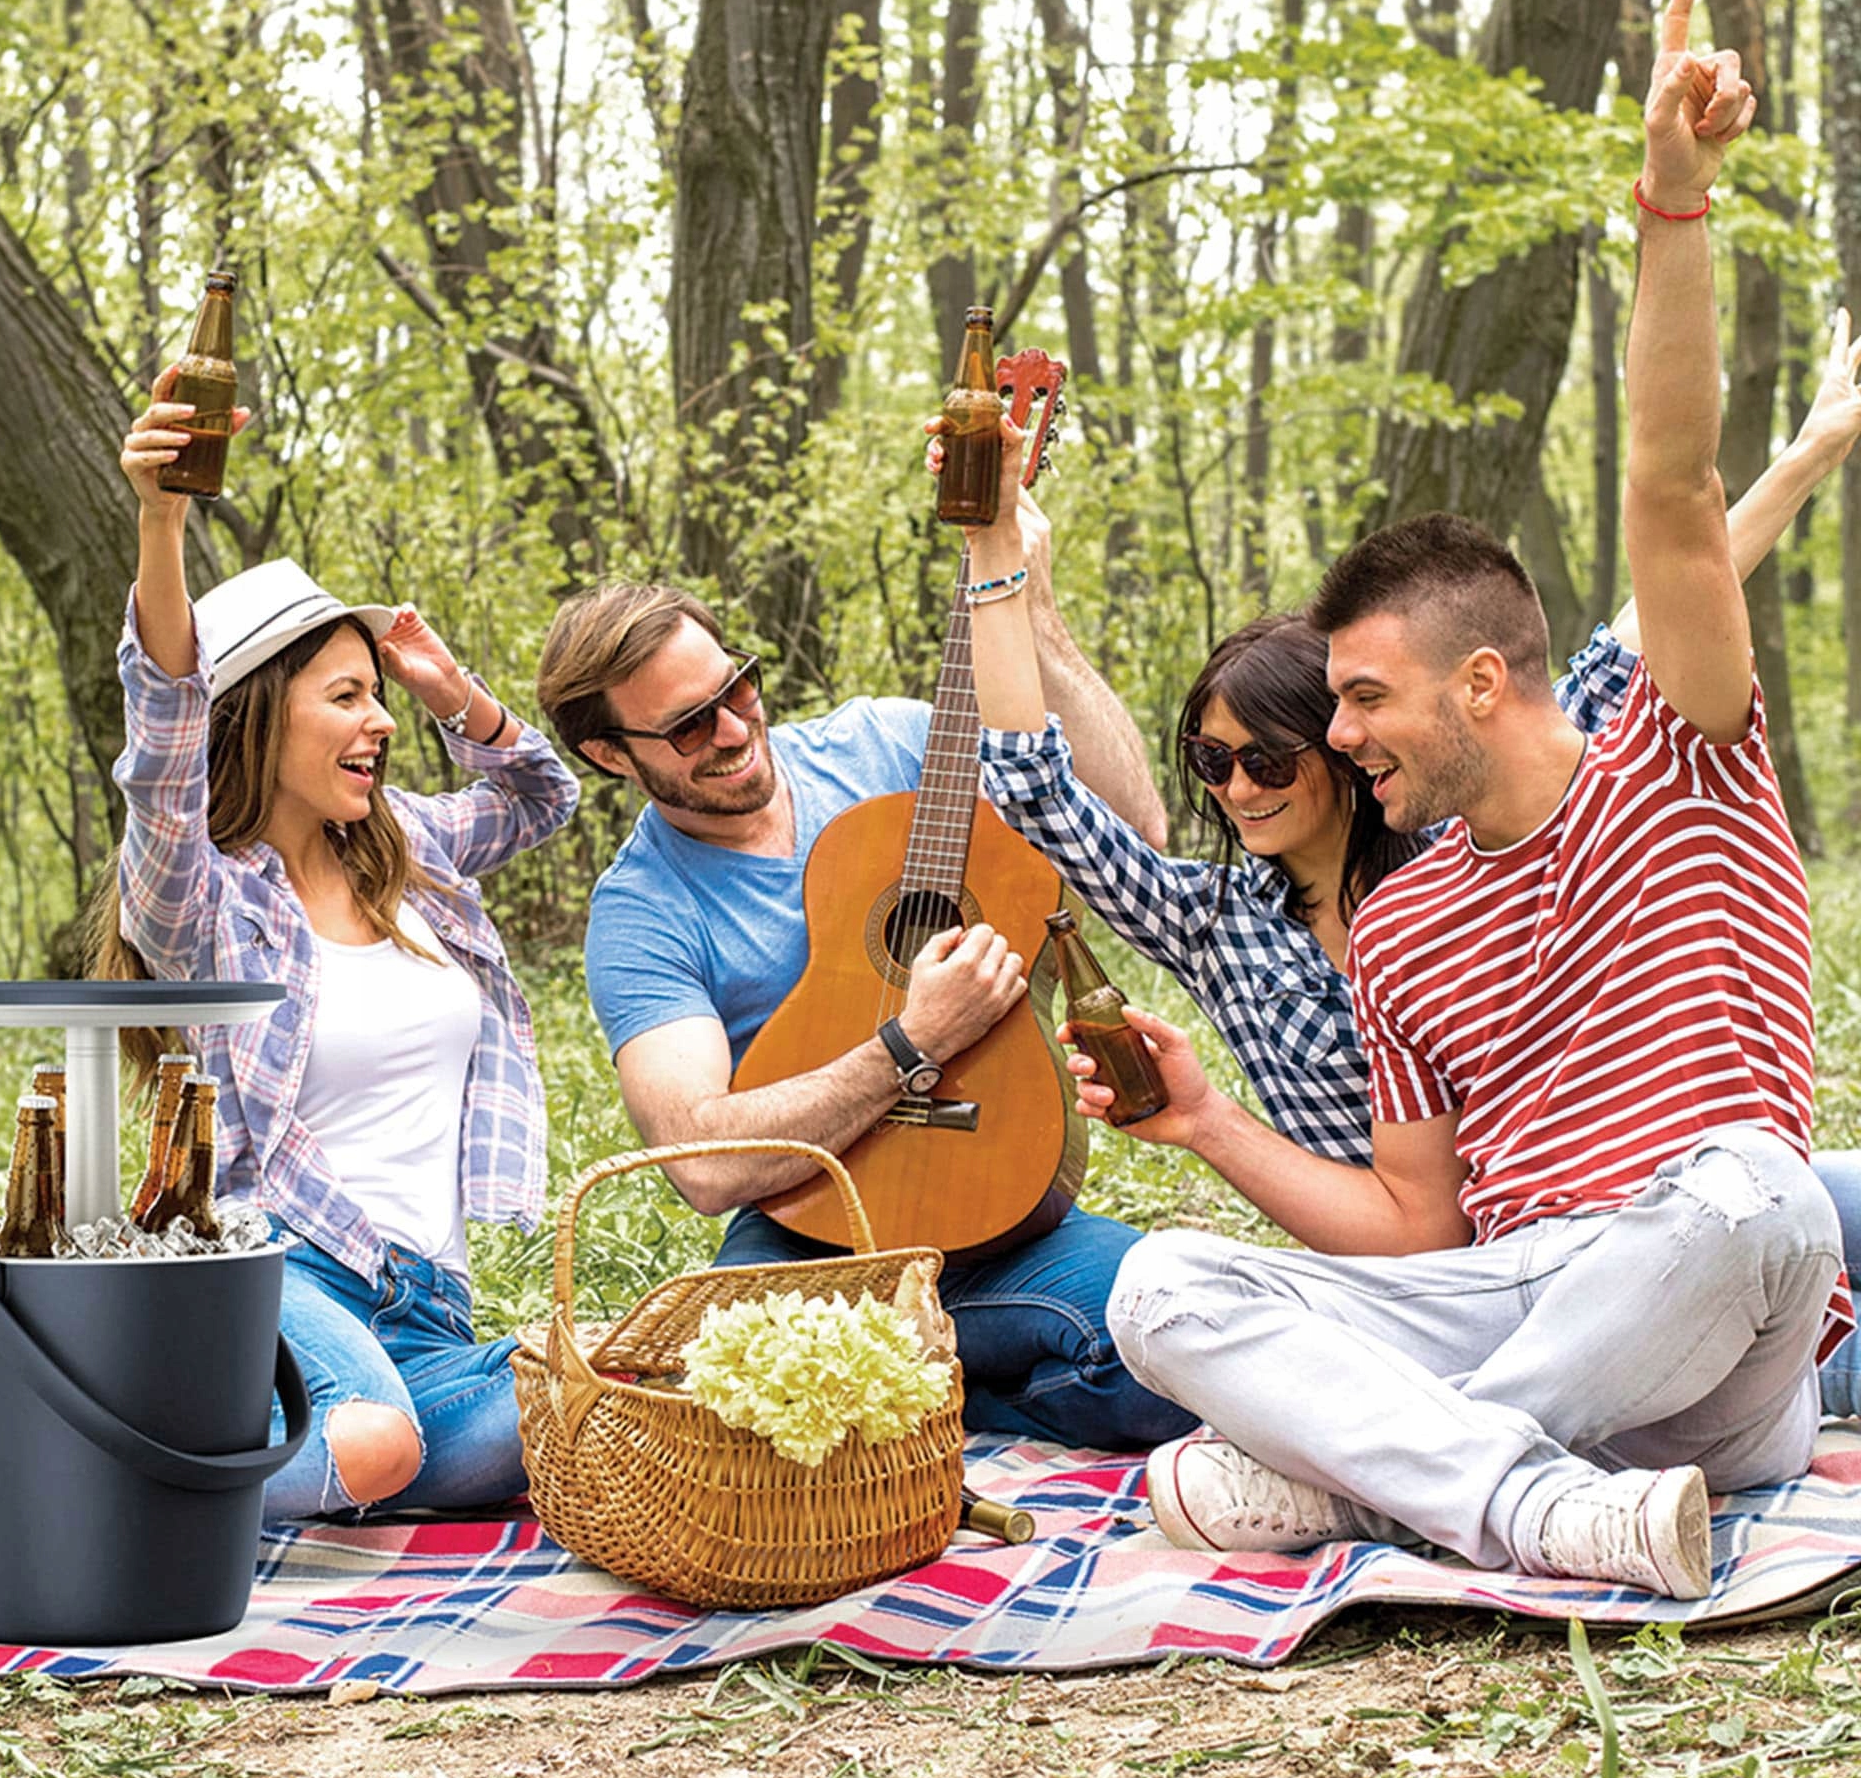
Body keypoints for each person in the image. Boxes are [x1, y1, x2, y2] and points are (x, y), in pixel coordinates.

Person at [1083, 0, 1848, 1596]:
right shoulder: (1406, 923)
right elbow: (1425, 1234)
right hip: (1508, 1300)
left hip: (1713, 1311)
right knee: (1159, 1292)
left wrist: (1671, 205)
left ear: (1483, 681)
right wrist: (1211, 1120)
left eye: (1364, 699)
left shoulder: (1682, 759)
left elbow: (1672, 487)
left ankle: (1381, 1488)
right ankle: (1522, 1498)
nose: (1338, 737)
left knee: (1757, 1188)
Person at [958, 318, 1861, 1417]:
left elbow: (1663, 595)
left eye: (1266, 755)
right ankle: (1508, 1442)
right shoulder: (1212, 921)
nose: (1236, 787)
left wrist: (1810, 450)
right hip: (1457, 1275)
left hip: (1629, 1214)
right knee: (1166, 1303)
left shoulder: (1461, 811)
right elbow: (1032, 786)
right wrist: (993, 549)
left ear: (1342, 744)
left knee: (1789, 1190)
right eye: (1208, 760)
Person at [533, 569, 1191, 1448]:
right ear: (613, 755)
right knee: (732, 1414)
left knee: (1180, 1349)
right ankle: (927, 1393)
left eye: (739, 686)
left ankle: (918, 1403)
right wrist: (915, 1039)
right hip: (812, 1239)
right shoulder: (643, 909)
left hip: (1003, 1208)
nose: (735, 729)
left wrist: (1029, 602)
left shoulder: (890, 744)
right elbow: (706, 1165)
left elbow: (1134, 827)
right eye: (690, 726)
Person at [109, 370, 579, 1523]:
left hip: (425, 1303)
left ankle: (240, 1453)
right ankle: (85, 1477)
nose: (378, 722)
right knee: (371, 1443)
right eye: (348, 696)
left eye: (378, 698)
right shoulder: (200, 899)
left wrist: (448, 691)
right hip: (270, 1267)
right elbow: (163, 750)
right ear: (260, 715)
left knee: (585, 1397)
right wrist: (162, 519)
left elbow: (540, 793)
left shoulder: (406, 846)